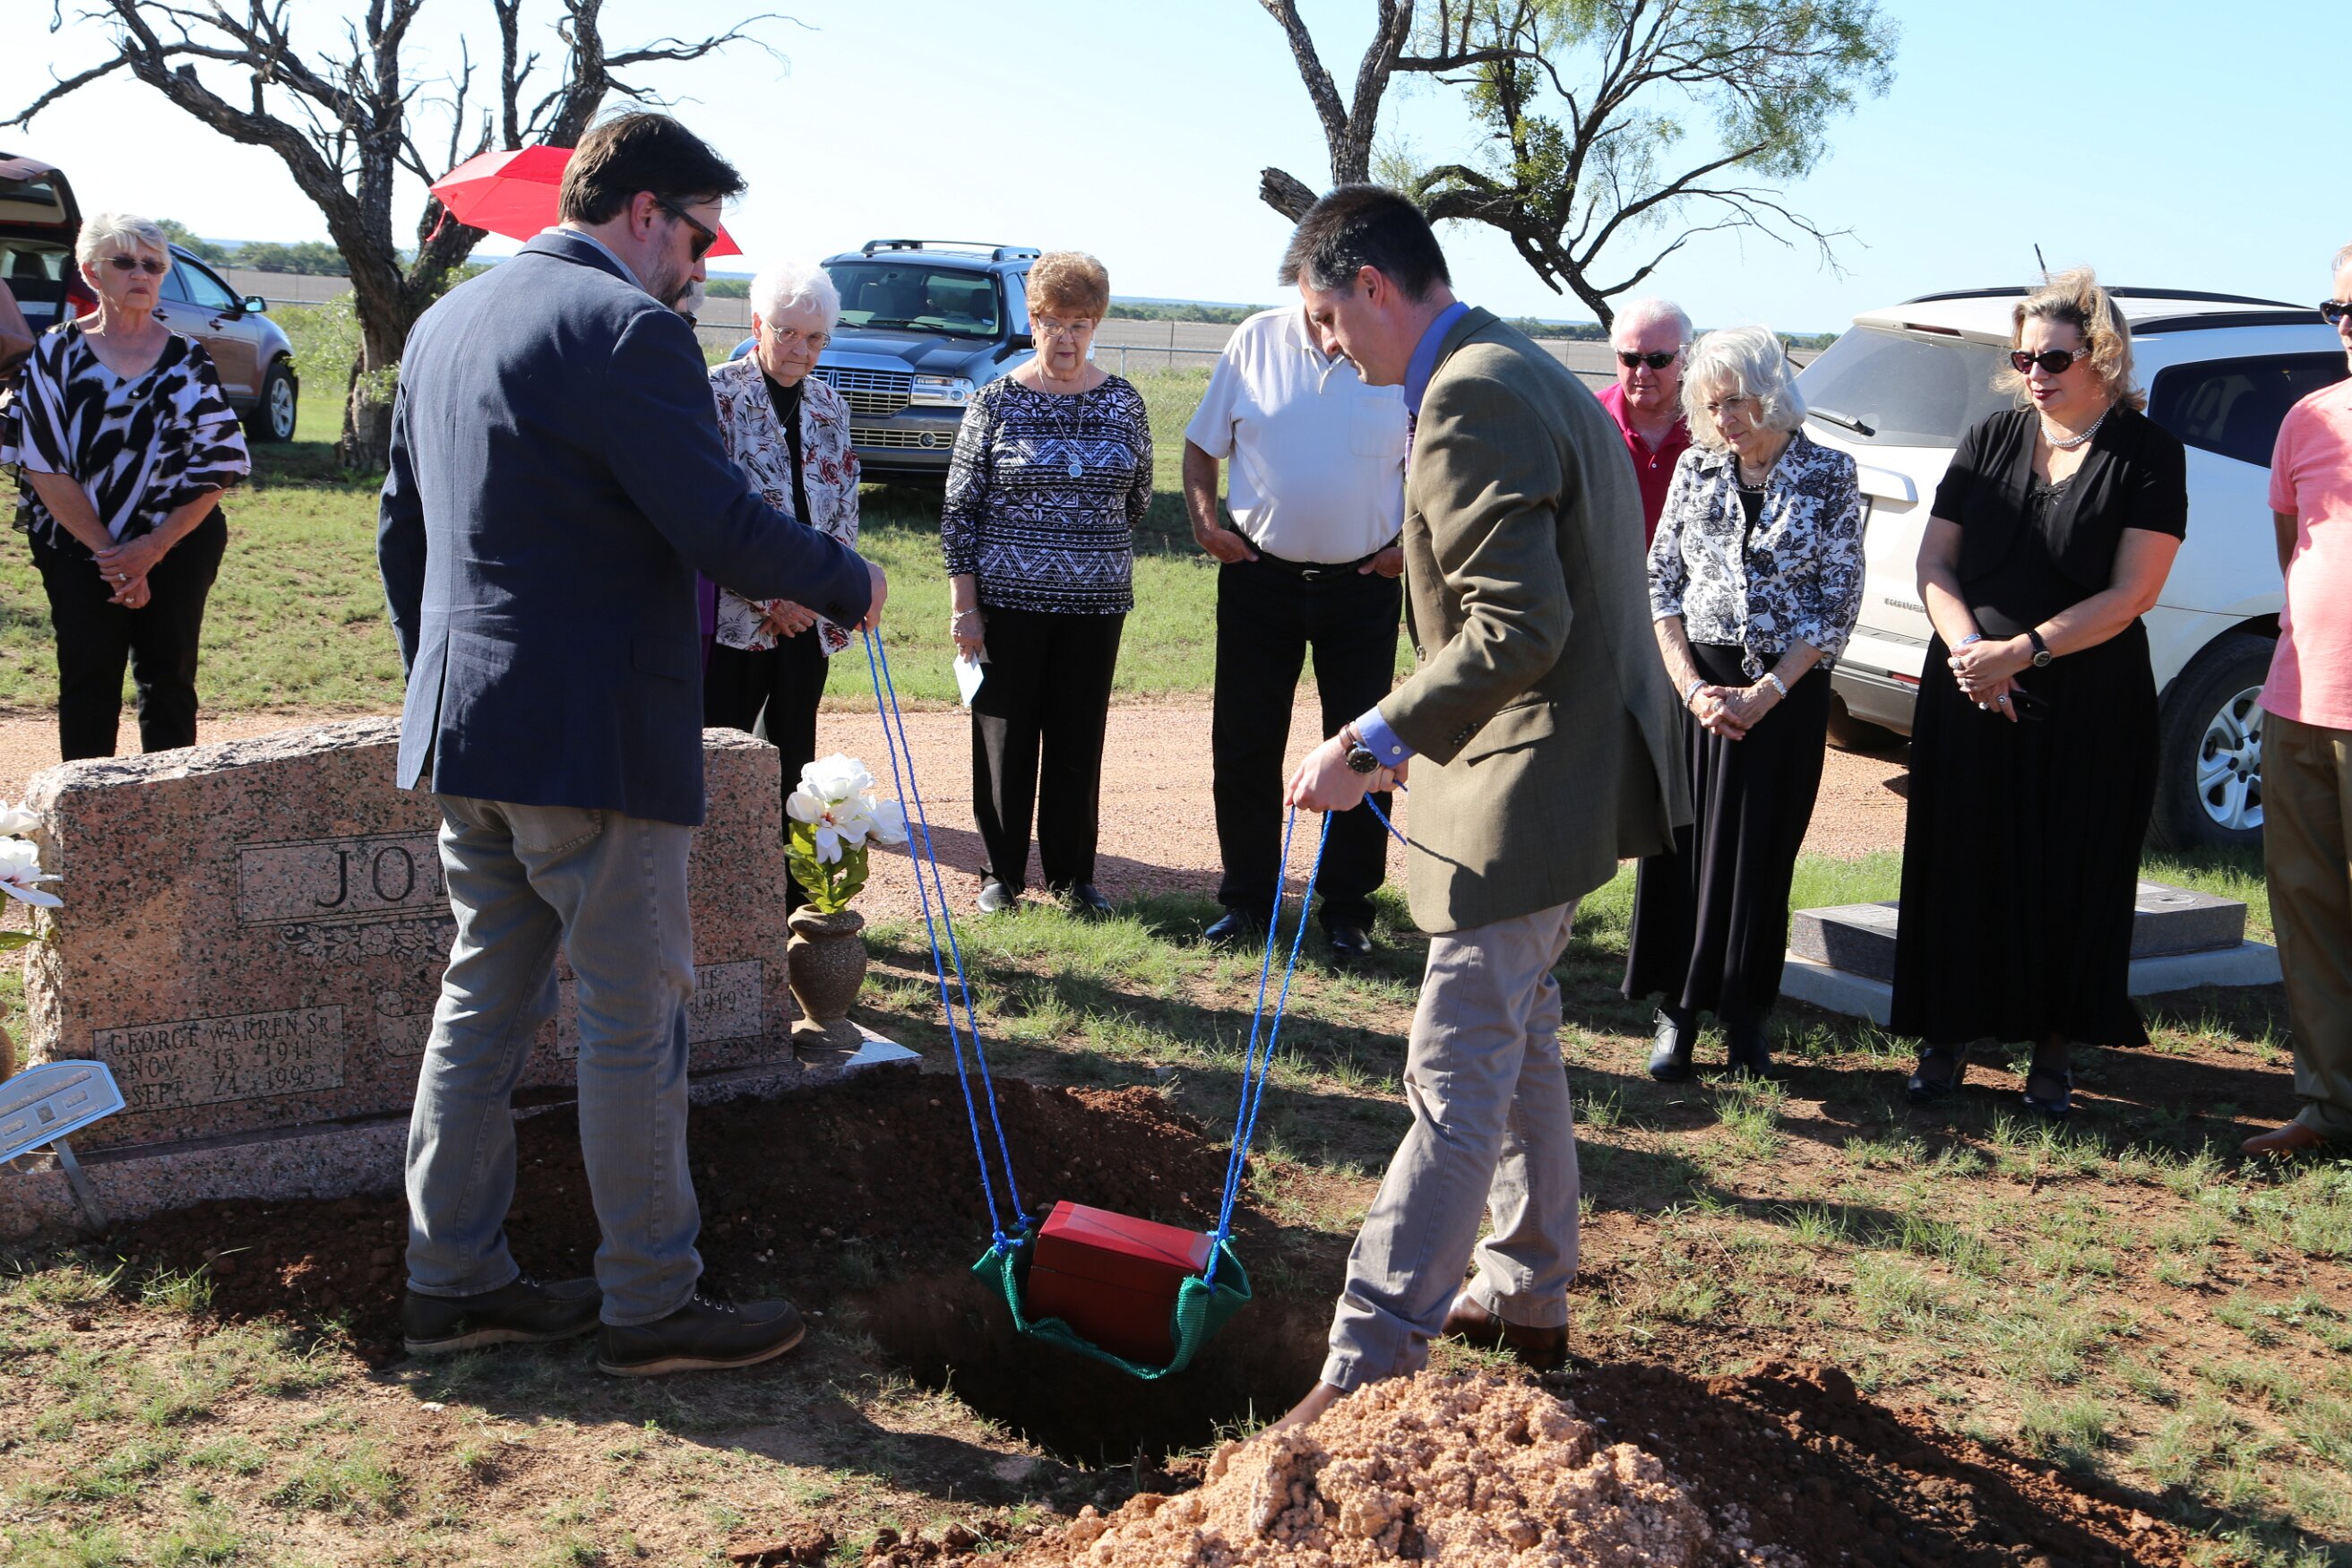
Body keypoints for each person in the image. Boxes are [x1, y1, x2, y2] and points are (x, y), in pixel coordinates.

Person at [379, 112, 885, 1376]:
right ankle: (652, 1299)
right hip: (594, 739)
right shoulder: (628, 331)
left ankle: (452, 1279)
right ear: (645, 211)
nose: (704, 264)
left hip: (470, 728)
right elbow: (716, 520)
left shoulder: (446, 322)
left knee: (481, 1004)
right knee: (631, 1019)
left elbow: (402, 534)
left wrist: (446, 680)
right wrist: (848, 578)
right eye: (701, 236)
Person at [1271, 186, 1684, 1429]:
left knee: (1454, 1068)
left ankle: (1366, 1364)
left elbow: (1517, 626)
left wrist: (1372, 737)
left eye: (1327, 319)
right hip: (1557, 770)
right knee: (1523, 1035)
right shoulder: (1521, 364)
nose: (1329, 346)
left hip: (1532, 781)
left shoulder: (1469, 394)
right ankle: (1524, 1286)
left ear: (1372, 286)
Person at [1890, 269, 2185, 1119]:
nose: (2033, 373)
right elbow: (1933, 564)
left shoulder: (2147, 453)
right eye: (2022, 357)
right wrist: (1971, 654)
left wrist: (2022, 652)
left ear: (2103, 356)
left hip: (2085, 702)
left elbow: (2132, 593)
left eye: (2052, 357)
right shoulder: (1989, 437)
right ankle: (1945, 1035)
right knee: (1958, 864)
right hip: (1968, 689)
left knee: (2070, 871)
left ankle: (2052, 1049)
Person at [1624, 327, 1863, 1080]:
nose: (1723, 419)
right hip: (1698, 691)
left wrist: (1767, 692)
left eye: (1736, 402)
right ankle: (1676, 1014)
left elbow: (1836, 601)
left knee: (1759, 860)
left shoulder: (1829, 472)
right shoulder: (1695, 467)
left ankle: (1745, 1018)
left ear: (1772, 395)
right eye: (1710, 405)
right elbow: (1659, 582)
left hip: (1784, 696)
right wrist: (1692, 688)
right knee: (1683, 854)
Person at [1183, 304, 1409, 961]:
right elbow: (1201, 444)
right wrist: (1204, 524)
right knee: (1245, 743)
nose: (1329, 321)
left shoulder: (1396, 349)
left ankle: (1348, 910)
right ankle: (1248, 903)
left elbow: (1432, 462)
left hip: (1363, 584)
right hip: (1258, 577)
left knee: (1365, 747)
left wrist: (1411, 546)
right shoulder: (1255, 339)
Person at [943, 251, 1151, 918]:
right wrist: (965, 608)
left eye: (1079, 324)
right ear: (1032, 322)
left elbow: (1137, 497)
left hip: (1096, 606)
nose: (1066, 338)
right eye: (1053, 323)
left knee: (1077, 739)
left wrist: (1080, 550)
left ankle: (1072, 877)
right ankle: (1000, 876)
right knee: (1005, 739)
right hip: (1006, 606)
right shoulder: (994, 402)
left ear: (1096, 326)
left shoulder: (1123, 402)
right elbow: (959, 512)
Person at [3, 213, 247, 762]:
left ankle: (170, 806)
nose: (141, 274)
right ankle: (86, 810)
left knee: (170, 681)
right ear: (92, 272)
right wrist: (113, 557)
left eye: (153, 265)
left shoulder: (190, 358)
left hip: (179, 543)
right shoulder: (54, 354)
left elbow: (219, 465)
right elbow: (44, 467)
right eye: (125, 262)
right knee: (87, 678)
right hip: (75, 546)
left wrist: (150, 550)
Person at [702, 257, 861, 907]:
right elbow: (707, 511)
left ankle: (793, 899)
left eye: (815, 337)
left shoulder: (830, 403)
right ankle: (716, 893)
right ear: (757, 325)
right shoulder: (713, 394)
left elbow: (844, 506)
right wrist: (770, 597)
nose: (801, 349)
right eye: (787, 333)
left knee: (796, 755)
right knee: (722, 753)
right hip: (736, 619)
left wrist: (818, 594)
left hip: (808, 621)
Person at [2243, 245, 2352, 1157]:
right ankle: (2329, 1106)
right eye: (2337, 308)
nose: (2347, 325)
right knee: (2308, 910)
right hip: (2298, 697)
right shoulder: (2307, 418)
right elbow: (2296, 554)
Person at [1598, 298, 1694, 545]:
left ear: (1685, 356)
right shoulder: (1586, 420)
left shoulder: (1715, 425)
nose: (1642, 372)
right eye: (1630, 358)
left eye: (1658, 360)